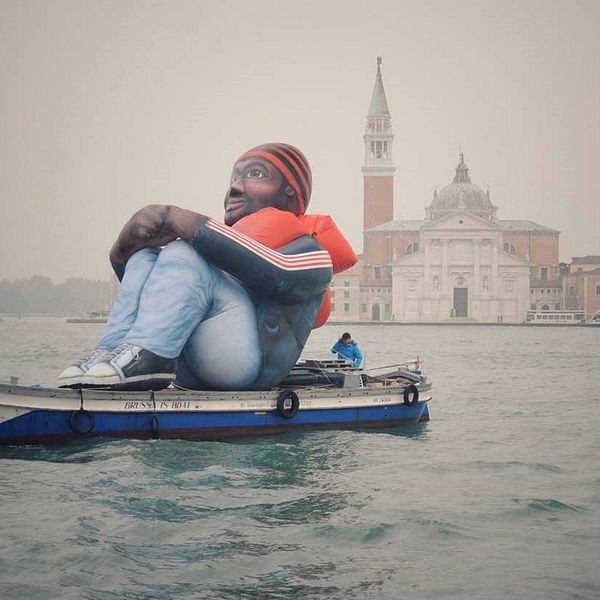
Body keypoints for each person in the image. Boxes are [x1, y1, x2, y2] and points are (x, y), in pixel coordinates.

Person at [57, 143, 356, 391]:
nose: (235, 188)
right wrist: (124, 247)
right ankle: (112, 352)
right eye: (233, 179)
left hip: (247, 369)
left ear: (290, 192)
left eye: (254, 175)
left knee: (183, 252)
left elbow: (277, 273)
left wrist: (180, 220)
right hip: (189, 365)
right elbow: (157, 297)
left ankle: (147, 360)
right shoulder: (218, 256)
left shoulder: (313, 253)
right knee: (147, 257)